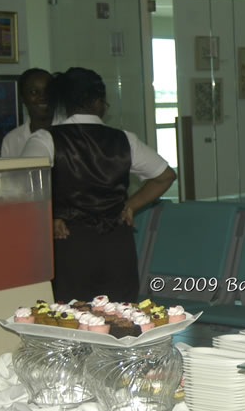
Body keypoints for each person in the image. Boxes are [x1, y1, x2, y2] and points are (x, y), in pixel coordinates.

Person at [22, 67, 176, 303]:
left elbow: (24, 189)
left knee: (72, 315)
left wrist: (50, 216)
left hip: (70, 242)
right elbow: (165, 176)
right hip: (116, 244)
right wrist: (130, 206)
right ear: (99, 102)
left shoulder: (45, 140)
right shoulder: (124, 139)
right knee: (121, 314)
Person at [1, 68, 54, 158]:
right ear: (22, 98)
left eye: (48, 91)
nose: (43, 97)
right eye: (34, 92)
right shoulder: (11, 140)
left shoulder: (67, 134)